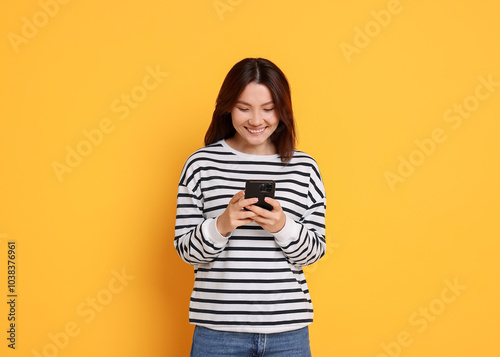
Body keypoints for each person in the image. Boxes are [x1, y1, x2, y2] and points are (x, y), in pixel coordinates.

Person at [174, 58, 326, 356]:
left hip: (287, 332)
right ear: (227, 107)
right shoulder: (201, 164)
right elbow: (185, 250)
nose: (257, 120)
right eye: (244, 108)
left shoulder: (304, 168)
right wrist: (222, 225)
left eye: (268, 109)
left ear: (283, 110)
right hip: (218, 332)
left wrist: (282, 227)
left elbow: (314, 252)